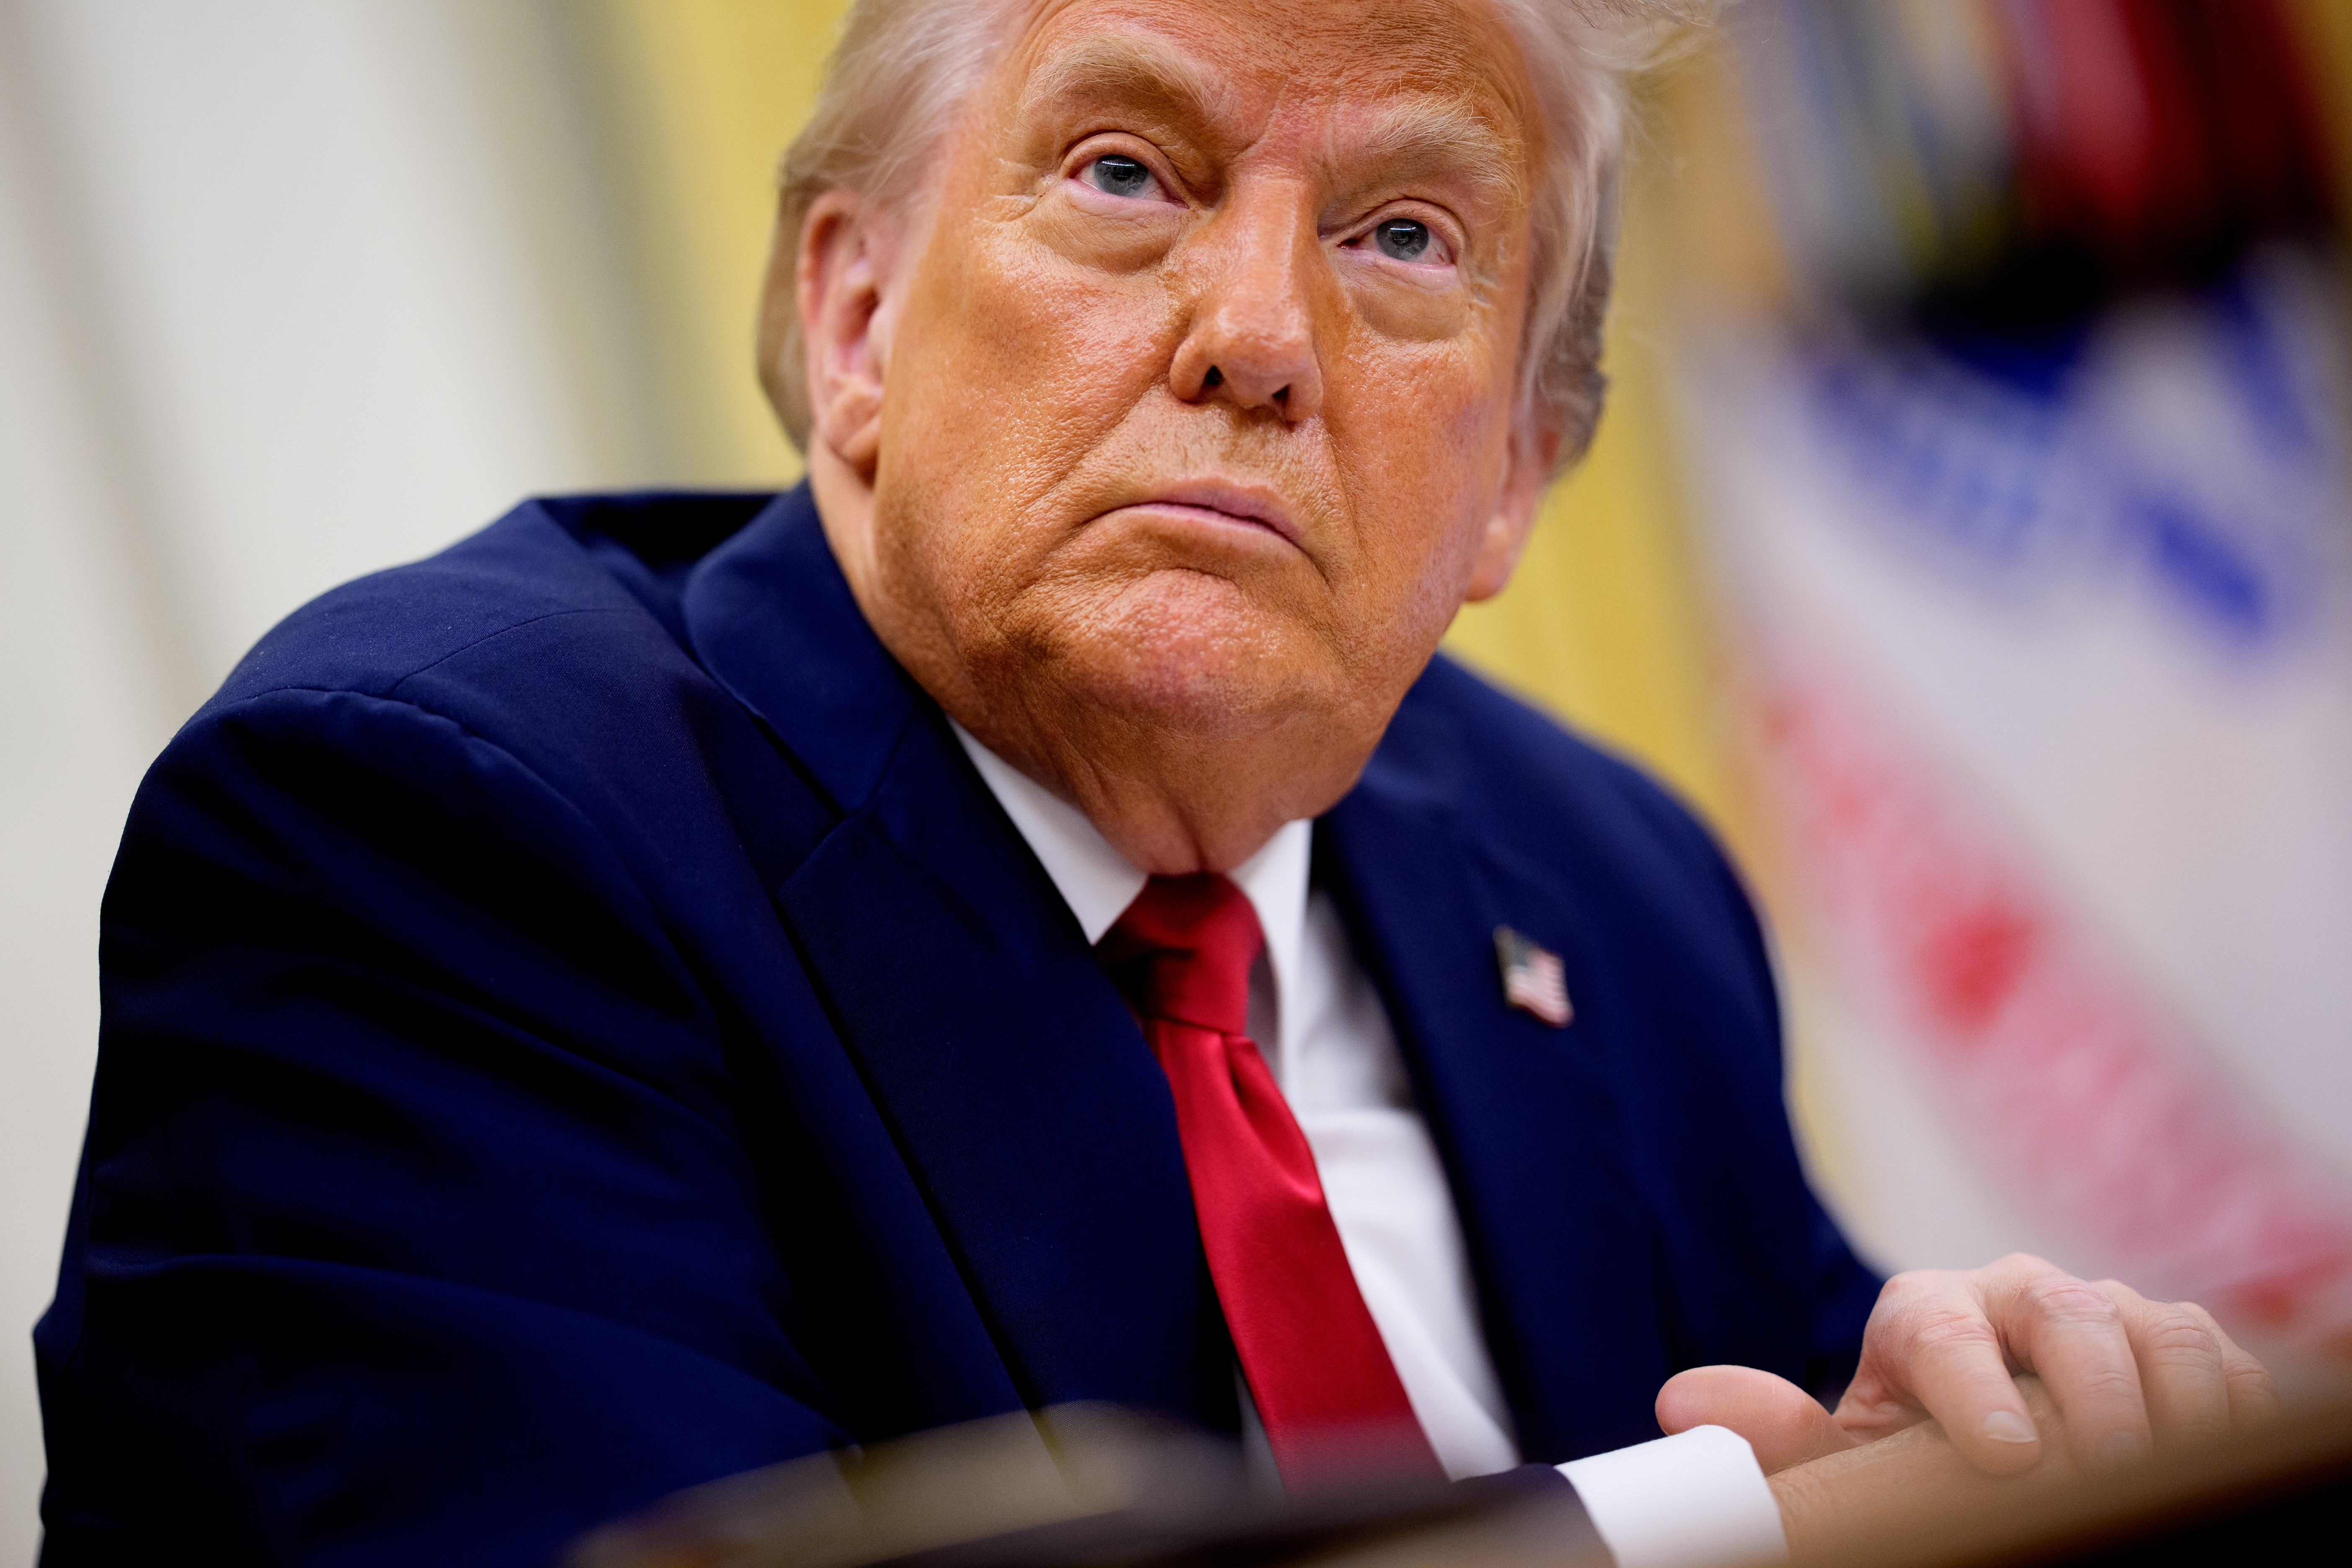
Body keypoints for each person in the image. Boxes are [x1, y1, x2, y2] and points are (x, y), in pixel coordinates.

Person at [35, 0, 2277, 1563]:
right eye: (1125, 171)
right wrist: (1696, 1533)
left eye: (1406, 235)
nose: (1259, 331)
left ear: (1511, 485)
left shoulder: (1613, 898)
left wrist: (2000, 1416)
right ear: (856, 323)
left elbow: (1851, 1458)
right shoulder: (434, 841)